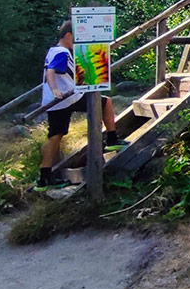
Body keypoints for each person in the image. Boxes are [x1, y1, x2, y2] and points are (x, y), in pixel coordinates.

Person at [35, 20, 125, 191]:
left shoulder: (53, 50)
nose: (76, 42)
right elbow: (51, 71)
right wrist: (55, 89)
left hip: (57, 101)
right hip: (66, 98)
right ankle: (112, 139)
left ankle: (44, 178)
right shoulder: (61, 52)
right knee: (106, 102)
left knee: (55, 136)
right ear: (68, 35)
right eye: (75, 38)